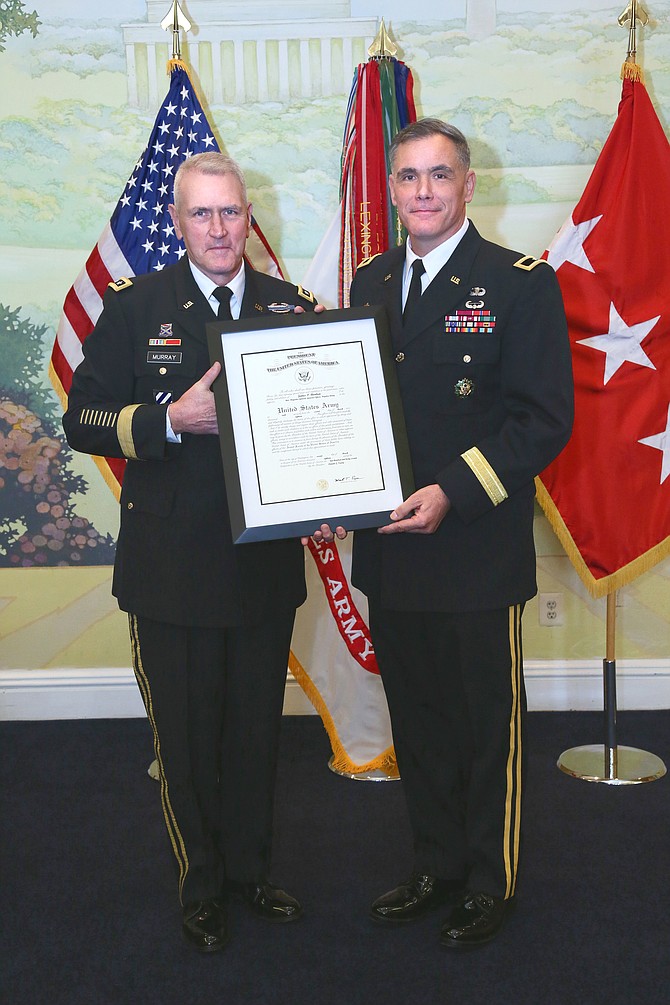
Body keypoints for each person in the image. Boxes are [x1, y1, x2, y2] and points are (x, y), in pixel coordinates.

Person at [309, 118, 573, 949]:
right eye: (409, 177)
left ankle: (487, 879)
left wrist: (453, 491)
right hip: (391, 548)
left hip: (472, 551)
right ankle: (434, 864)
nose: (423, 191)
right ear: (390, 189)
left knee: (482, 726)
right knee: (416, 721)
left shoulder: (519, 283)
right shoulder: (373, 278)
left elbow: (542, 421)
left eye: (440, 175)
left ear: (468, 186)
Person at [64, 152, 319, 953]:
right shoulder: (138, 306)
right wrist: (169, 420)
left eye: (232, 213)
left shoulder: (288, 307)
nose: (218, 228)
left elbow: (319, 423)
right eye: (202, 214)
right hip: (170, 569)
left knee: (253, 735)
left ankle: (249, 871)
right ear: (177, 223)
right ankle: (201, 884)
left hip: (261, 566)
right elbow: (83, 417)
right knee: (184, 736)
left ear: (250, 217)